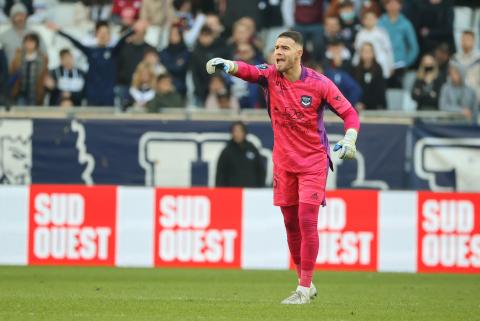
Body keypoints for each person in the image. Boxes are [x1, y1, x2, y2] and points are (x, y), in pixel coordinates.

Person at [206, 31, 360, 304]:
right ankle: (305, 284)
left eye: (285, 47)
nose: (278, 52)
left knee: (306, 220)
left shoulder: (319, 84)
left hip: (313, 162)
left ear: (298, 53)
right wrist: (228, 65)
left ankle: (303, 288)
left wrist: (349, 138)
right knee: (290, 224)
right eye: (276, 47)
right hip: (284, 163)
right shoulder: (270, 76)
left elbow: (349, 113)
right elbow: (249, 71)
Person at [47, 20, 147, 106]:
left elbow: (122, 40)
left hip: (108, 97)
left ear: (109, 36)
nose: (103, 36)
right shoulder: (90, 51)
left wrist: (134, 29)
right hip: (92, 96)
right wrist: (59, 31)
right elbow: (75, 41)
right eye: (101, 33)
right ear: (96, 34)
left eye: (106, 33)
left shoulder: (113, 51)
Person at [378, 0, 418, 88]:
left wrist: (406, 62)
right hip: (383, 65)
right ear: (385, 6)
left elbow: (414, 47)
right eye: (389, 3)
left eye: (395, 3)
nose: (392, 6)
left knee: (398, 93)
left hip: (400, 64)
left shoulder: (406, 23)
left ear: (400, 5)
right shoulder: (380, 22)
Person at [215, 121, 266, 187]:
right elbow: (220, 174)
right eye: (235, 131)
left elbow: (260, 170)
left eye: (239, 131)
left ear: (244, 133)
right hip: (232, 191)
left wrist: (261, 188)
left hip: (251, 191)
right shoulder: (227, 151)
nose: (237, 134)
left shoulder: (252, 149)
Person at [9, 32, 48, 105]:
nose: (29, 44)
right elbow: (12, 73)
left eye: (31, 41)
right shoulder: (18, 58)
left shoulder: (42, 59)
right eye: (26, 41)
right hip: (20, 92)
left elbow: (44, 75)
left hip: (35, 93)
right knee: (20, 113)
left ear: (36, 44)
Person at [354, 9, 394, 79]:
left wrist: (391, 65)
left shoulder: (382, 33)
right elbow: (358, 51)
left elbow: (389, 50)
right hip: (364, 65)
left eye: (372, 18)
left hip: (381, 63)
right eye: (367, 19)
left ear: (376, 20)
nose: (370, 21)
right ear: (363, 21)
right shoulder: (360, 34)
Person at [353, 42, 387, 110]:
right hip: (358, 106)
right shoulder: (355, 69)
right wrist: (357, 103)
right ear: (361, 53)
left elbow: (380, 90)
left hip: (375, 106)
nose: (367, 54)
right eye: (365, 51)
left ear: (373, 53)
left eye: (369, 51)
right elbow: (354, 89)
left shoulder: (378, 69)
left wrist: (366, 104)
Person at [160, 25, 190, 98]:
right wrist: (175, 65)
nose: (173, 37)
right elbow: (168, 68)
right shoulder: (164, 52)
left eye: (176, 34)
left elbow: (179, 69)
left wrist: (169, 65)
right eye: (171, 34)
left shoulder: (186, 52)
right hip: (164, 88)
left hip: (182, 89)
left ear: (180, 35)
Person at [453, 30, 480, 105]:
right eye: (463, 39)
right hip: (458, 98)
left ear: (474, 41)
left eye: (468, 39)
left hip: (476, 97)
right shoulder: (455, 58)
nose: (465, 42)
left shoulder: (478, 58)